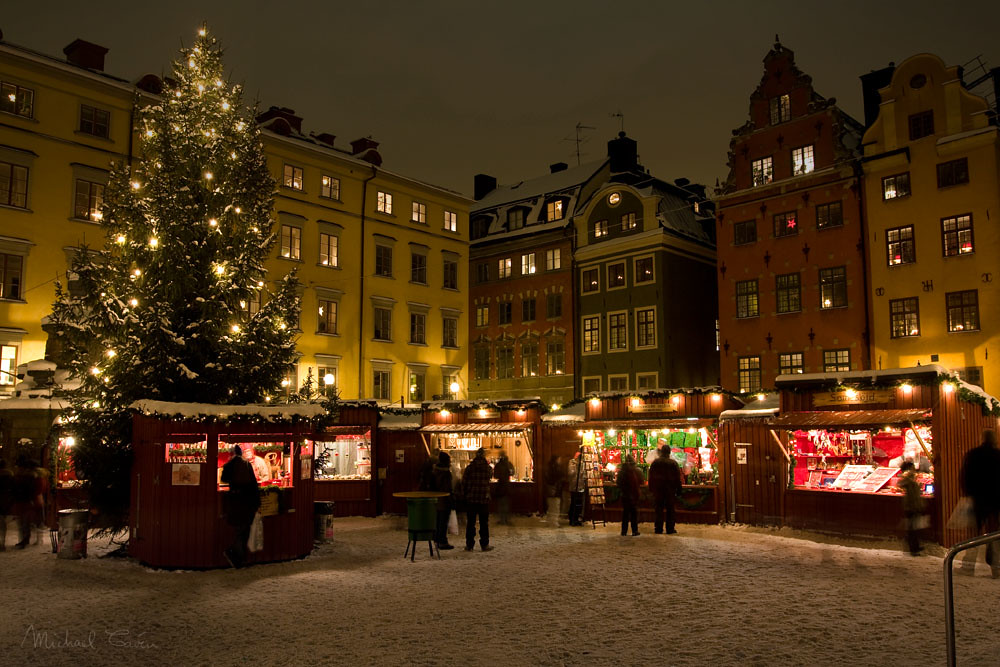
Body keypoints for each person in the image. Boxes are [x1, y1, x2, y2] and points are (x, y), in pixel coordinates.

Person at [961, 428, 1000, 577]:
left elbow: (965, 476)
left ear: (981, 439)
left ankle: (968, 566)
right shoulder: (998, 455)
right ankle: (997, 568)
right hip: (995, 501)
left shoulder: (973, 454)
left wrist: (968, 494)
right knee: (995, 535)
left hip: (977, 500)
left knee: (973, 535)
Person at [221, 445, 261, 568]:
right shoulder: (247, 464)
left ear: (231, 453)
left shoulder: (229, 465)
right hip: (247, 501)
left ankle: (235, 556)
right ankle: (238, 558)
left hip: (236, 501)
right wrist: (257, 502)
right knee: (244, 530)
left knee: (240, 530)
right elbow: (254, 484)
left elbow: (223, 479)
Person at [462, 448, 494, 552]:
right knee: (484, 523)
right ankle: (484, 544)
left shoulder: (469, 468)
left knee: (470, 523)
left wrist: (465, 494)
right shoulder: (488, 468)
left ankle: (469, 545)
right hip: (484, 499)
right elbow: (490, 478)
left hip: (471, 499)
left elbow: (464, 483)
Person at [648, 446, 681, 535]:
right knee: (670, 509)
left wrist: (651, 488)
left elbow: (651, 476)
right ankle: (670, 528)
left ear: (661, 452)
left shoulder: (655, 463)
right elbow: (677, 477)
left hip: (658, 489)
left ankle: (658, 528)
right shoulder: (673, 463)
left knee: (659, 509)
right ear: (669, 452)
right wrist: (678, 489)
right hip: (670, 489)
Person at [898, 461, 925, 556]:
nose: (914, 470)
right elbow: (901, 484)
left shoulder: (912, 479)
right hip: (911, 507)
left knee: (915, 528)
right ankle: (913, 549)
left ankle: (915, 546)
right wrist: (909, 477)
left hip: (915, 506)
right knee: (912, 529)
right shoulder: (907, 479)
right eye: (912, 468)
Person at [11, 456, 38, 549]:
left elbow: (28, 490)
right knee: (24, 522)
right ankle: (25, 539)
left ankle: (25, 540)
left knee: (24, 522)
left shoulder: (24, 477)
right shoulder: (29, 476)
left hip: (24, 501)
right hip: (24, 500)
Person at [432, 451, 455, 550]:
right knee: (443, 522)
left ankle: (437, 540)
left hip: (435, 500)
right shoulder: (446, 473)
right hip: (444, 500)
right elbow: (447, 488)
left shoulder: (434, 471)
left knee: (438, 521)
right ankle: (442, 541)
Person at [617, 455, 641, 537]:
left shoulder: (622, 471)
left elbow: (618, 483)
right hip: (634, 494)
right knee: (634, 513)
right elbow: (641, 480)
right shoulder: (637, 470)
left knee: (625, 513)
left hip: (625, 494)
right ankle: (635, 530)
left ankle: (624, 531)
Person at [492, 450, 515, 526]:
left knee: (500, 504)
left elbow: (495, 475)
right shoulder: (509, 464)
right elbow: (512, 472)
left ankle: (502, 519)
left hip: (500, 485)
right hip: (507, 485)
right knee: (506, 503)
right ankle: (506, 519)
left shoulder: (498, 465)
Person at [544, 455, 566, 526]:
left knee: (552, 506)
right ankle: (553, 522)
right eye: (559, 459)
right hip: (555, 489)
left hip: (552, 489)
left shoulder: (549, 468)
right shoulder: (555, 468)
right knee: (555, 506)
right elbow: (559, 476)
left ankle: (550, 521)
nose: (560, 461)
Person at [566, 450, 587, 526]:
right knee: (574, 503)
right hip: (574, 486)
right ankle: (572, 519)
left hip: (581, 486)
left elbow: (584, 474)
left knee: (579, 504)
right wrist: (576, 467)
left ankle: (577, 518)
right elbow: (570, 473)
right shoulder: (572, 463)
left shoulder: (582, 464)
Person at [0, 460, 12, 550]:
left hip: (3, 499)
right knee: (3, 522)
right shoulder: (9, 475)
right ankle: (2, 542)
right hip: (5, 499)